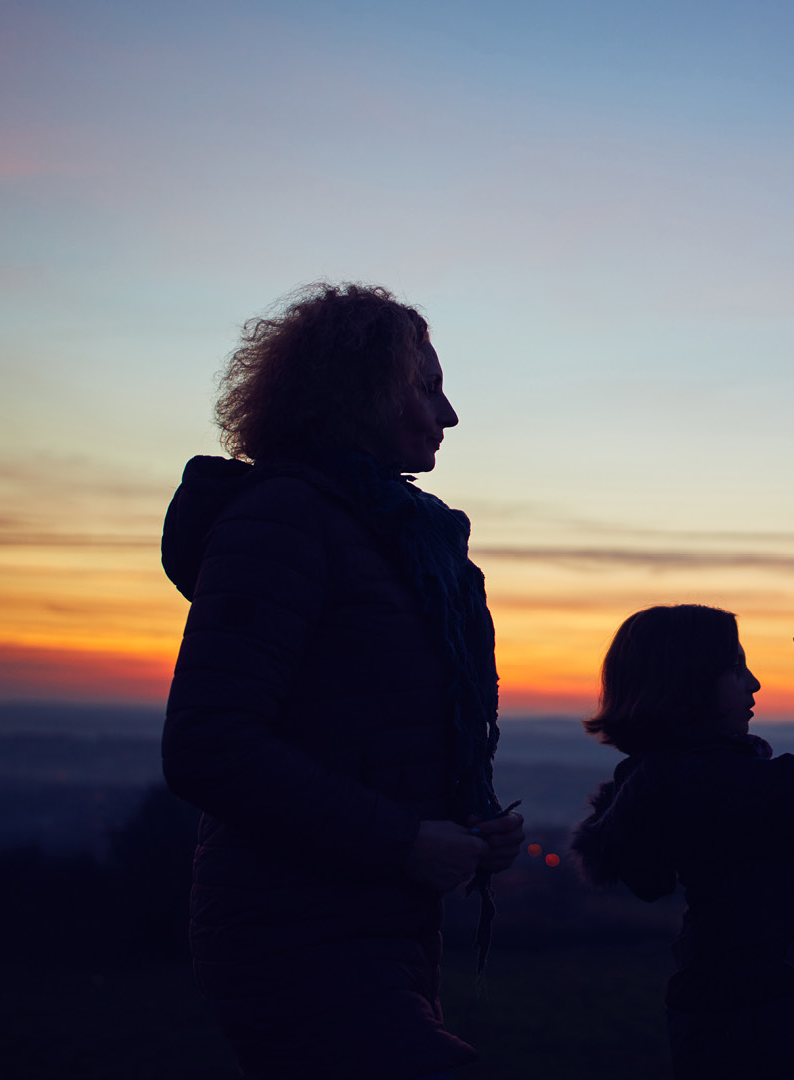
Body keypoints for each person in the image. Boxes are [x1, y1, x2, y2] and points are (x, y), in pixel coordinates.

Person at [160, 282, 524, 1079]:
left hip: (382, 927)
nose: (450, 414)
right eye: (427, 387)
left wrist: (467, 824)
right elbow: (207, 744)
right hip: (291, 931)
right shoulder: (283, 518)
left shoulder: (396, 539)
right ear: (365, 391)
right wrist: (404, 840)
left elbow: (362, 726)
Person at [571, 603, 794, 1080]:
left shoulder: (711, 778)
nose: (754, 684)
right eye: (735, 668)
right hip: (771, 1042)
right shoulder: (697, 783)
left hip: (792, 1031)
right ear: (686, 682)